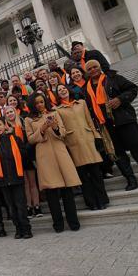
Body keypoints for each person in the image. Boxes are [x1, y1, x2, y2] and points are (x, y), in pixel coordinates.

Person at [84, 59, 138, 190]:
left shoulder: (113, 78)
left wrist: (120, 99)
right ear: (87, 72)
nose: (93, 70)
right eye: (89, 69)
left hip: (124, 120)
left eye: (95, 67)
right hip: (106, 126)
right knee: (118, 154)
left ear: (99, 67)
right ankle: (131, 180)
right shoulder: (85, 89)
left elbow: (133, 89)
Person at [26, 93, 81, 233]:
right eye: (37, 103)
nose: (40, 104)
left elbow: (63, 132)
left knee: (67, 189)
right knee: (51, 193)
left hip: (60, 152)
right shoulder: (28, 120)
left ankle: (73, 222)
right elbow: (31, 139)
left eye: (42, 101)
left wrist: (56, 127)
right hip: (44, 157)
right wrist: (42, 129)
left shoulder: (55, 113)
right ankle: (58, 225)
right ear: (33, 104)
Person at [55, 84, 109, 210]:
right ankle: (91, 203)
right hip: (74, 144)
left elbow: (89, 120)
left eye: (63, 88)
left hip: (88, 140)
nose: (62, 91)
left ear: (68, 90)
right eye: (59, 90)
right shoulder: (57, 110)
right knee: (84, 177)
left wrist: (96, 136)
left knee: (96, 174)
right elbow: (61, 128)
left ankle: (102, 200)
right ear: (57, 95)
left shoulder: (81, 103)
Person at [0, 117, 32, 239]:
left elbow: (25, 153)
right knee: (11, 207)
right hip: (3, 180)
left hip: (16, 176)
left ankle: (26, 229)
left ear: (4, 125)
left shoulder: (14, 138)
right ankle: (18, 229)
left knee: (21, 205)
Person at [4, 106, 42, 218]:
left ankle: (37, 206)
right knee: (25, 184)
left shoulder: (23, 124)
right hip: (16, 159)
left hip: (27, 155)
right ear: (5, 116)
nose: (10, 114)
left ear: (15, 112)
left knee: (33, 182)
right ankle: (29, 206)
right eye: (7, 113)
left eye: (11, 111)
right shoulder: (6, 129)